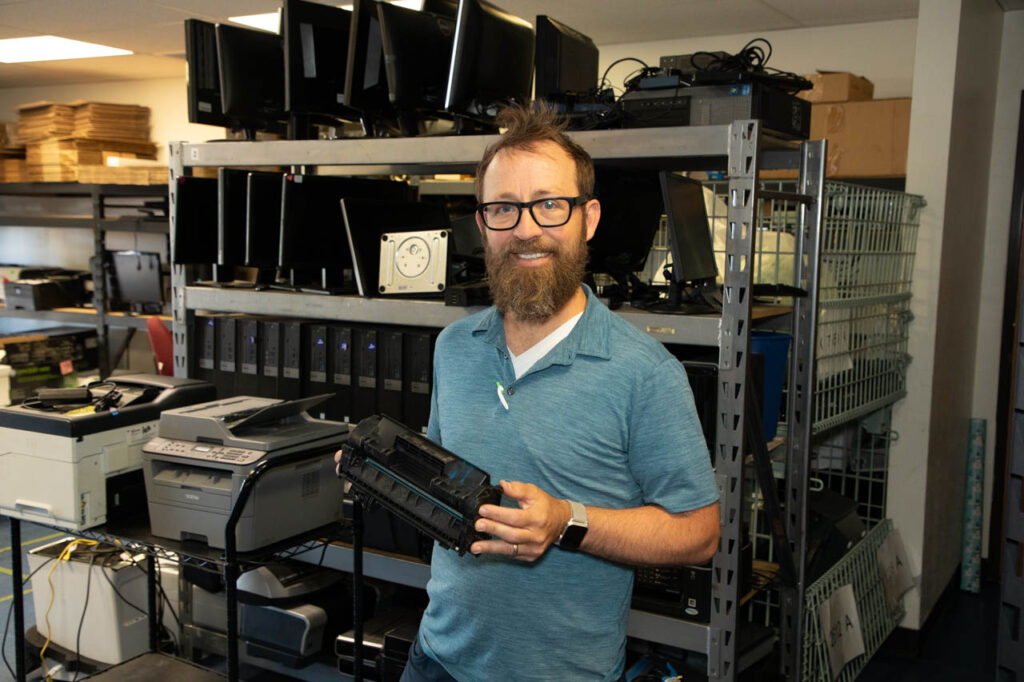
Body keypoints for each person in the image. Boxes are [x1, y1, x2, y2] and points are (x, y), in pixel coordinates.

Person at [399, 105, 719, 681]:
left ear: (587, 218)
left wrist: (568, 521)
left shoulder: (645, 372)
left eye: (549, 205)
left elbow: (698, 534)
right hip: (437, 660)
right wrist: (387, 472)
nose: (525, 229)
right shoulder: (454, 347)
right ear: (483, 223)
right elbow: (446, 487)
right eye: (504, 208)